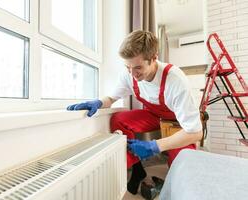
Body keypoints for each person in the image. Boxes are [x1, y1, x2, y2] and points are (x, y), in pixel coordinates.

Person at [67, 30, 203, 196]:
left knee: (182, 163)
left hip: (178, 123)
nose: (132, 74)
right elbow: (112, 97)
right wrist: (98, 102)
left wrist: (155, 146)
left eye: (138, 67)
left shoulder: (175, 80)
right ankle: (137, 170)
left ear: (154, 58)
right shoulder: (129, 74)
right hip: (154, 115)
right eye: (128, 67)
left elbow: (195, 132)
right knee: (118, 119)